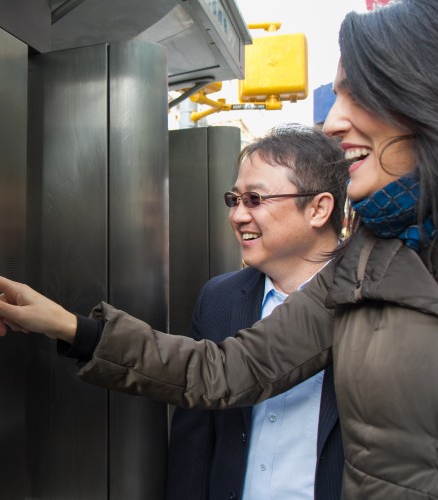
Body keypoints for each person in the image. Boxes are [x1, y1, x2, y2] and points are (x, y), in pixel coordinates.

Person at [0, 0, 438, 497]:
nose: (336, 120)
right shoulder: (370, 264)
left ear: (430, 94)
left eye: (358, 94)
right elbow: (223, 372)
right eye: (234, 199)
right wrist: (71, 327)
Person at [166, 125, 347, 500]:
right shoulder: (219, 298)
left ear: (318, 208)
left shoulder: (372, 300)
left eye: (254, 199)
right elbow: (194, 443)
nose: (237, 216)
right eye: (234, 199)